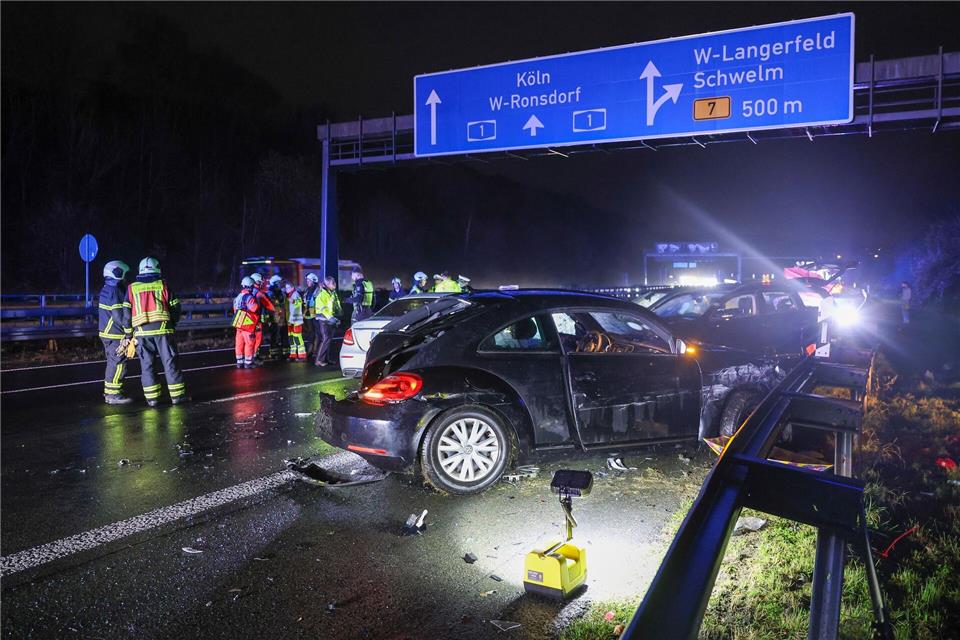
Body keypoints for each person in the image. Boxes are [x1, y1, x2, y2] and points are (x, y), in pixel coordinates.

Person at [128, 257, 188, 406]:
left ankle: (152, 399)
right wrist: (172, 323)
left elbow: (125, 313)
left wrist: (129, 334)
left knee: (147, 366)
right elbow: (175, 307)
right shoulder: (163, 285)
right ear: (158, 269)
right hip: (163, 331)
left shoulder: (131, 288)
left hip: (141, 333)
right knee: (170, 363)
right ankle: (177, 397)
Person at [98, 260, 134, 404]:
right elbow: (119, 316)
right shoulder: (116, 291)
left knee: (112, 363)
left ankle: (109, 392)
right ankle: (114, 395)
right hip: (115, 334)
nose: (126, 278)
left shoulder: (106, 288)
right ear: (118, 273)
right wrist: (129, 332)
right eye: (124, 274)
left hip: (106, 332)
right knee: (119, 364)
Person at [232, 277, 262, 368]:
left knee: (239, 342)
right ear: (250, 286)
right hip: (247, 323)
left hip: (239, 321)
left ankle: (239, 361)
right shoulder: (249, 297)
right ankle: (248, 362)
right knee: (249, 342)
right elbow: (254, 308)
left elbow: (235, 309)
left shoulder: (238, 296)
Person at [315, 275, 342, 367]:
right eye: (332, 283)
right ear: (327, 284)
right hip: (323, 319)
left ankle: (325, 359)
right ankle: (319, 360)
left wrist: (335, 317)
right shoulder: (322, 294)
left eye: (334, 282)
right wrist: (331, 318)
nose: (334, 284)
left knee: (328, 339)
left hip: (328, 319)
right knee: (326, 338)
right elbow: (323, 309)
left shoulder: (330, 293)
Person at [249, 273, 275, 363]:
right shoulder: (258, 293)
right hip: (256, 319)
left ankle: (248, 357)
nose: (262, 284)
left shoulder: (246, 291)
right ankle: (254, 356)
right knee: (258, 337)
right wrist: (275, 310)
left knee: (249, 338)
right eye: (260, 282)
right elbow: (269, 304)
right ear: (257, 282)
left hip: (247, 319)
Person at [267, 275, 288, 360]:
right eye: (279, 283)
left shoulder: (280, 292)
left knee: (283, 334)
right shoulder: (270, 293)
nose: (281, 284)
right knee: (275, 335)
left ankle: (285, 352)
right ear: (275, 283)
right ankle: (274, 353)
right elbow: (272, 306)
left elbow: (282, 304)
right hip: (274, 318)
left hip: (281, 317)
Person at [285, 282, 306, 361]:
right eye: (286, 288)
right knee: (291, 338)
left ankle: (302, 355)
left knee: (297, 337)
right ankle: (293, 355)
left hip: (296, 321)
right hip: (291, 320)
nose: (286, 289)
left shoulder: (296, 294)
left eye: (288, 288)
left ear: (292, 288)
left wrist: (293, 301)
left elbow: (299, 302)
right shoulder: (289, 295)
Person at [303, 273, 320, 360]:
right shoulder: (307, 290)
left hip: (316, 314)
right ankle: (310, 350)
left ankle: (316, 351)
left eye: (309, 280)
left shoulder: (318, 290)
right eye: (307, 280)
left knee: (318, 333)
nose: (307, 282)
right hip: (308, 314)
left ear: (314, 280)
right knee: (310, 333)